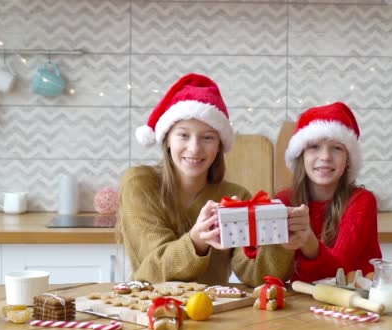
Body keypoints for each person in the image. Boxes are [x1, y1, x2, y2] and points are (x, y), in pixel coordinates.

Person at [117, 73, 294, 287]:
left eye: (207, 137)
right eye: (183, 135)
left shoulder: (235, 196)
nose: (194, 148)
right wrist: (196, 241)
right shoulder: (140, 184)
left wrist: (280, 240)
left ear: (219, 144)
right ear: (167, 141)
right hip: (152, 312)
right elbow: (153, 272)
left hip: (214, 315)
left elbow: (255, 276)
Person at [274, 102, 382, 283]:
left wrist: (308, 242)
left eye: (337, 148)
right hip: (300, 301)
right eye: (314, 147)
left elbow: (339, 270)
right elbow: (264, 261)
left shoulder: (362, 201)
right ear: (301, 155)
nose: (325, 156)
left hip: (354, 303)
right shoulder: (284, 201)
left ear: (348, 160)